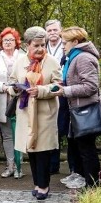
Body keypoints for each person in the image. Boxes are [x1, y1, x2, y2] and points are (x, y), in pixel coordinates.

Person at [8, 27, 62, 199]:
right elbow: (11, 83)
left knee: (43, 150)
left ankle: (44, 186)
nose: (40, 49)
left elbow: (59, 86)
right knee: (30, 149)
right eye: (36, 45)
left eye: (43, 45)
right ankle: (37, 184)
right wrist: (16, 90)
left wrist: (41, 90)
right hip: (25, 113)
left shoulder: (52, 61)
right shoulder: (19, 62)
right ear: (27, 45)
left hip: (45, 112)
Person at [54, 26, 101, 189]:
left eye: (65, 42)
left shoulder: (83, 58)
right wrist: (63, 84)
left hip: (86, 110)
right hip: (77, 109)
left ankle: (93, 185)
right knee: (80, 148)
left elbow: (91, 86)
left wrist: (66, 90)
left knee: (87, 150)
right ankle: (86, 180)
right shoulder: (74, 56)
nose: (62, 45)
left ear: (76, 42)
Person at [0, 27, 24, 178]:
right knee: (7, 135)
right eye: (5, 40)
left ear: (16, 42)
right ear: (1, 42)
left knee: (20, 134)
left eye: (11, 40)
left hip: (21, 100)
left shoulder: (24, 57)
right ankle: (10, 166)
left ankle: (19, 167)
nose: (8, 42)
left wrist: (18, 87)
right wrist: (2, 87)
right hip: (2, 100)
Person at [45, 19, 75, 179]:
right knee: (52, 130)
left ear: (60, 30)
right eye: (49, 30)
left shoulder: (66, 47)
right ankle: (53, 165)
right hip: (49, 91)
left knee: (69, 130)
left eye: (55, 30)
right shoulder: (43, 48)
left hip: (64, 91)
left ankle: (73, 166)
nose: (52, 33)